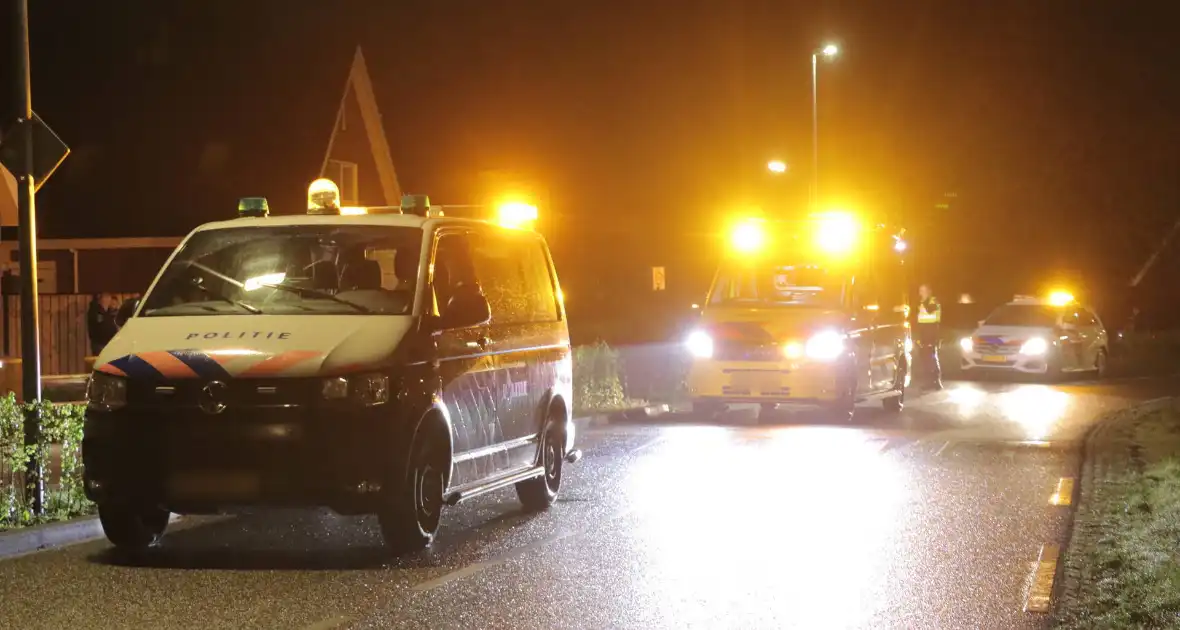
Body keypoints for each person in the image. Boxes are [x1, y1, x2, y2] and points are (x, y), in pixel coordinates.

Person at [916, 283, 942, 389]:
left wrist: (924, 301)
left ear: (928, 291)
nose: (920, 293)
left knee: (931, 357)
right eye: (920, 291)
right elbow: (920, 320)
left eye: (923, 290)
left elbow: (930, 311)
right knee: (925, 358)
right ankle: (929, 381)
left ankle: (935, 381)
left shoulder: (933, 302)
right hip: (924, 334)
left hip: (931, 333)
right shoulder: (922, 303)